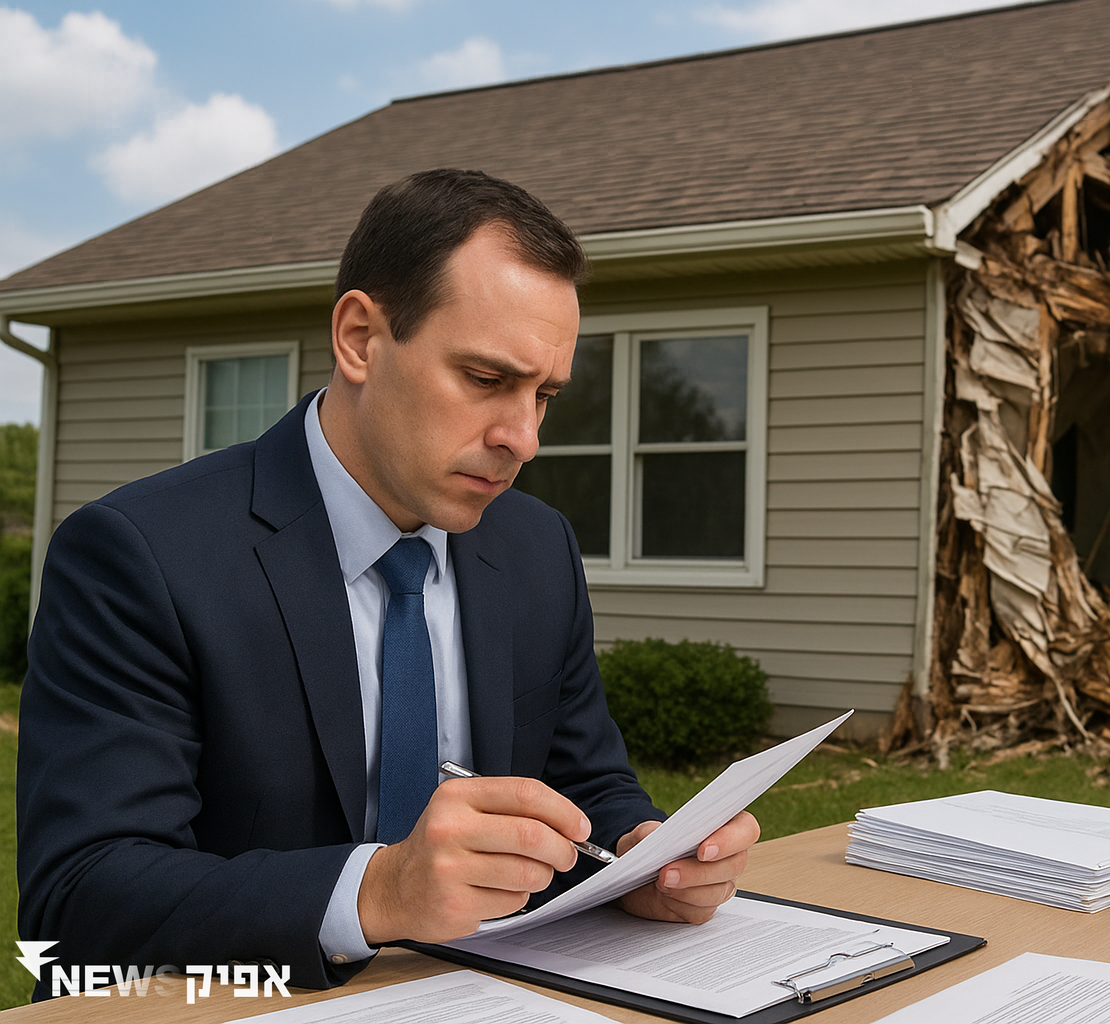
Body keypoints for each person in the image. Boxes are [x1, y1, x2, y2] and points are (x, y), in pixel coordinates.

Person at [17, 168, 758, 998]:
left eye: (544, 394)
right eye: (487, 380)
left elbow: (582, 781)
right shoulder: (142, 556)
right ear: (361, 338)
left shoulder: (536, 546)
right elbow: (77, 900)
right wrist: (379, 892)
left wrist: (641, 857)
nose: (525, 438)